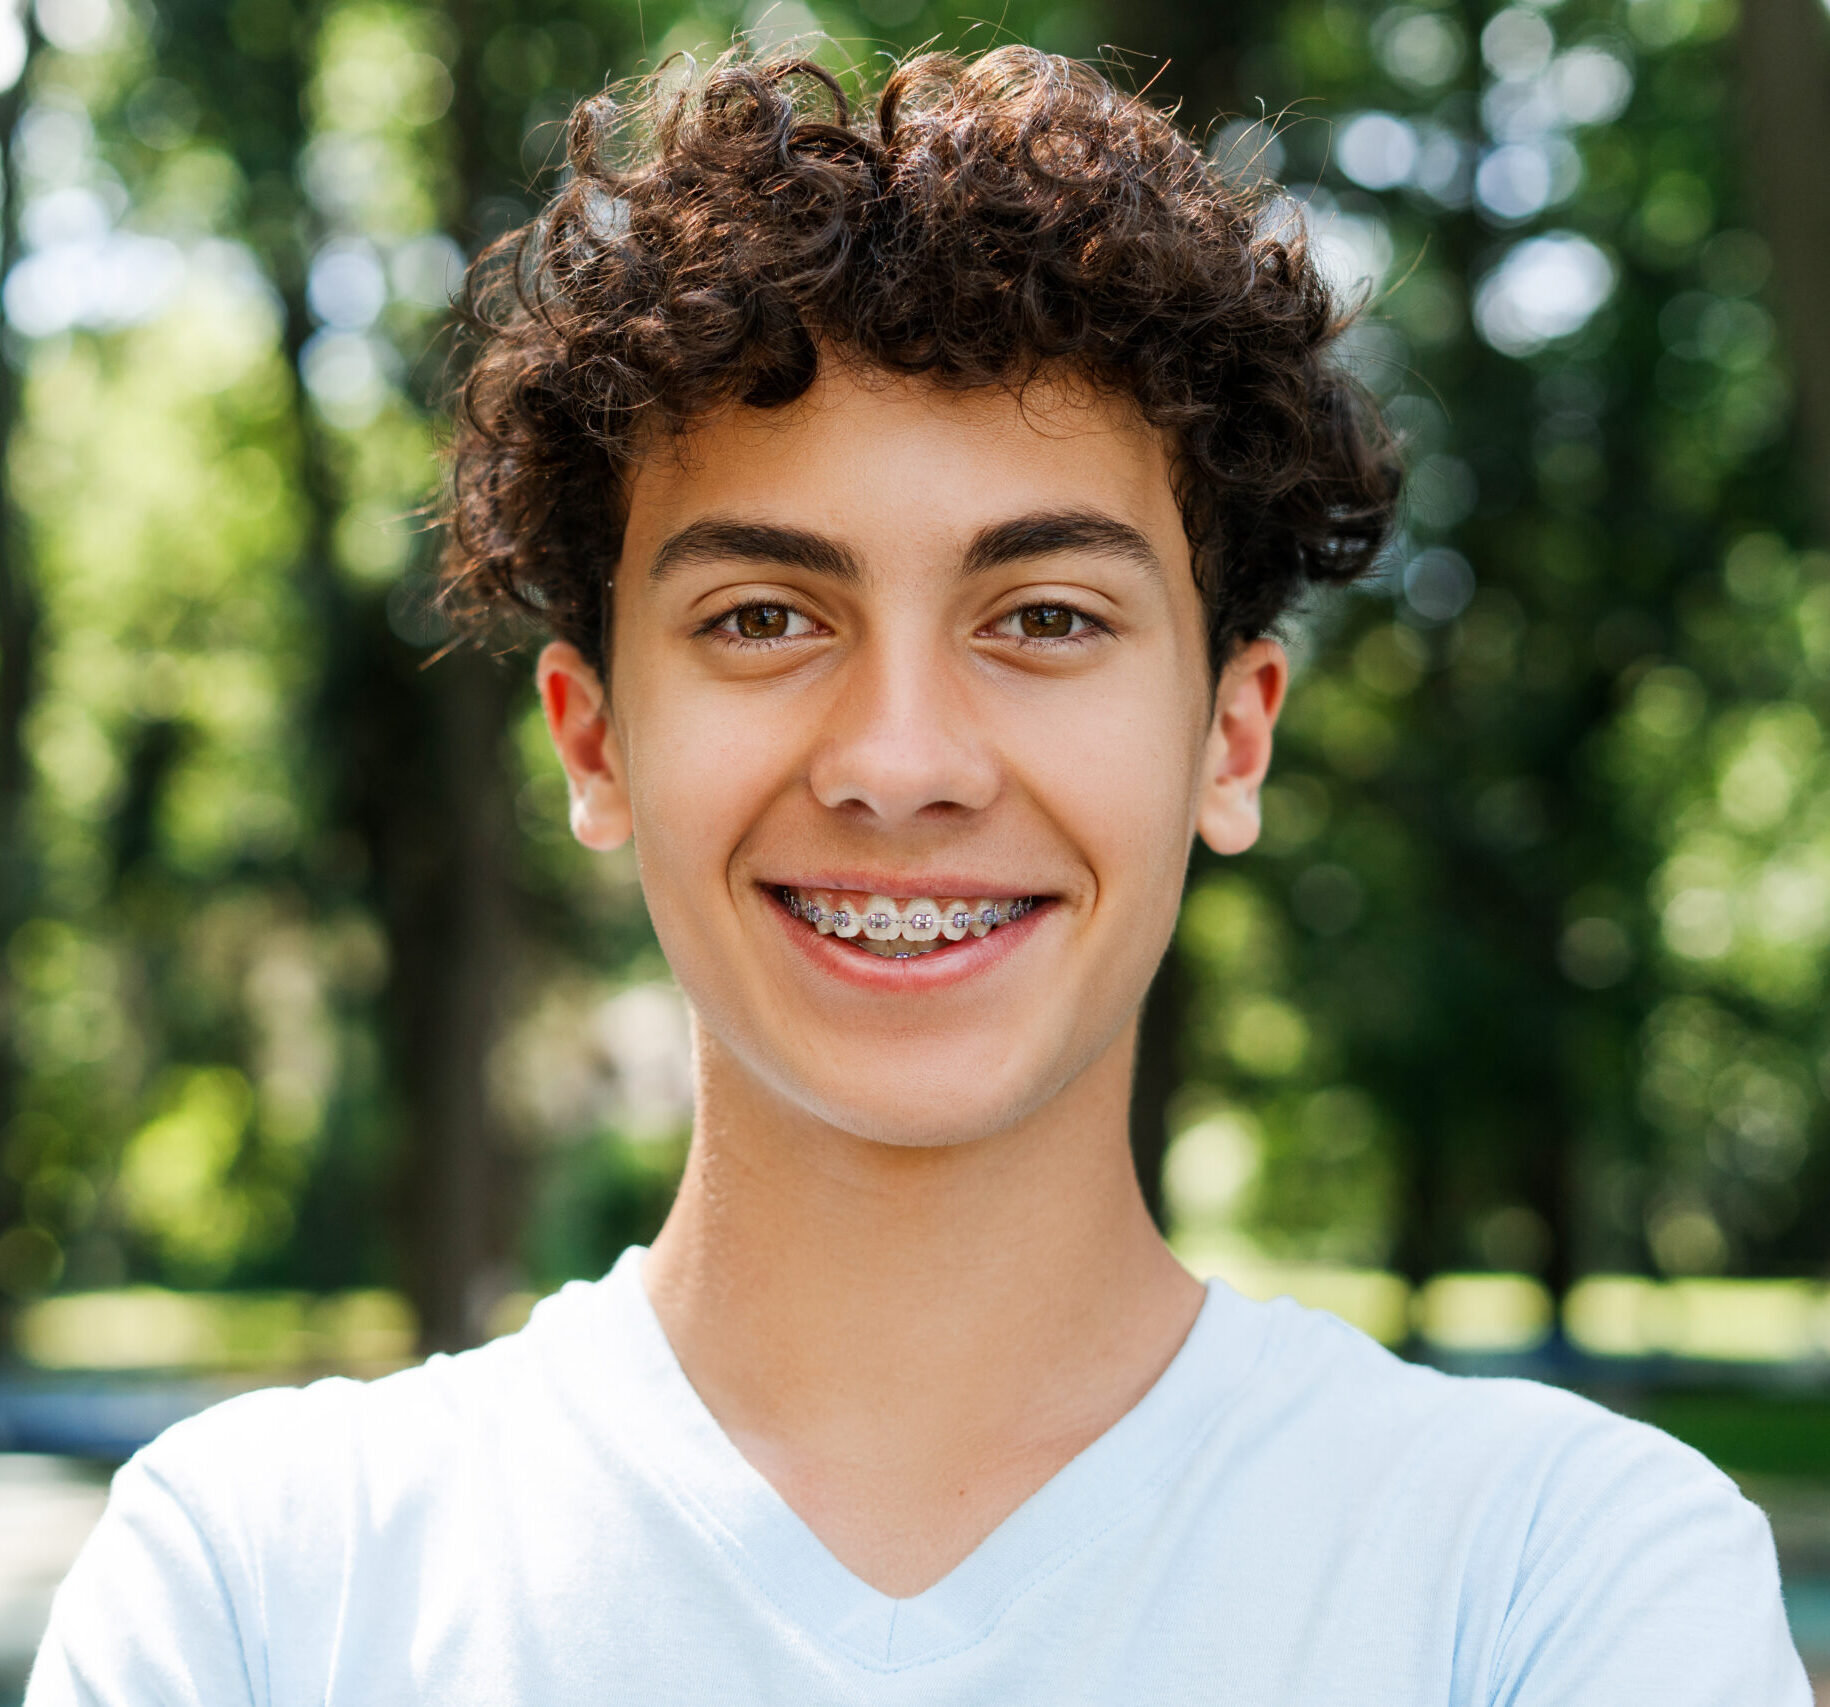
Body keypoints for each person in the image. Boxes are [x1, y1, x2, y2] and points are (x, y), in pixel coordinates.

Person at [30, 44, 1807, 1706]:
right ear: (593, 743)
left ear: (1230, 736)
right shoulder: (263, 1591)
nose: (899, 762)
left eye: (1041, 617)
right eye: (761, 617)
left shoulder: (1553, 1584)